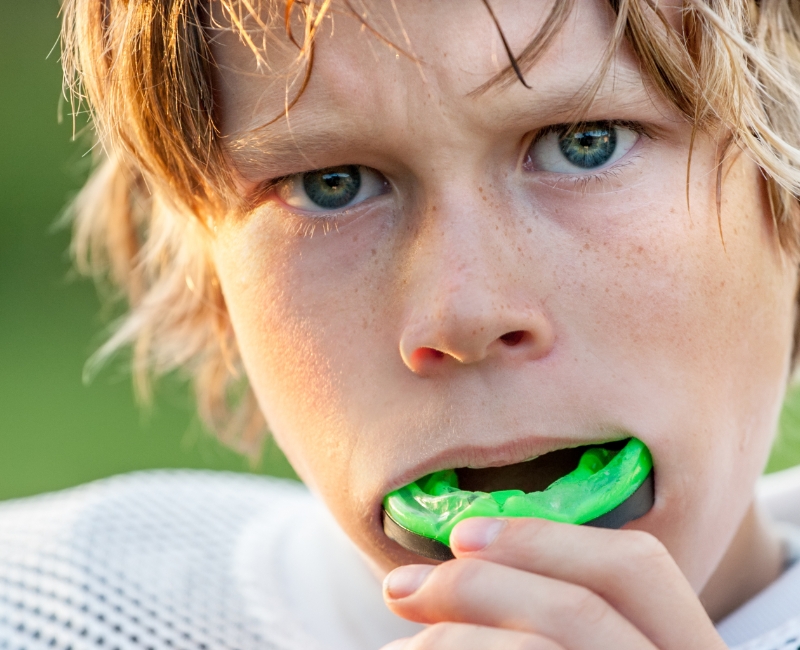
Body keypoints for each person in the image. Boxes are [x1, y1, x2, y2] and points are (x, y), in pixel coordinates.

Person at [3, 0, 800, 648]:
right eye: (332, 184)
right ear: (210, 280)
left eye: (583, 145)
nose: (464, 314)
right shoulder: (49, 609)